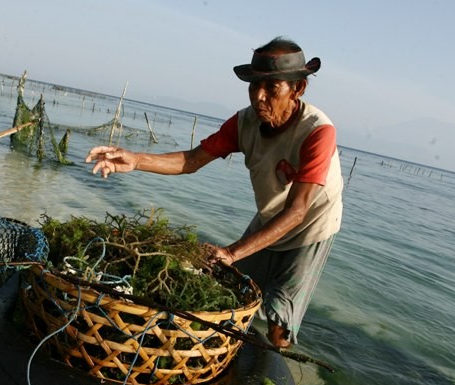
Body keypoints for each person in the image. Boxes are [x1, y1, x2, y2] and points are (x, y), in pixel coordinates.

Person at [85, 36, 343, 350]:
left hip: (311, 227)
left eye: (271, 88)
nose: (258, 98)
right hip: (271, 216)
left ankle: (272, 364)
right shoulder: (244, 123)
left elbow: (299, 211)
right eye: (253, 86)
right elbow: (192, 160)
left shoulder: (317, 131)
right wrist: (136, 160)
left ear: (297, 89)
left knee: (278, 316)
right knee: (232, 290)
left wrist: (232, 251)